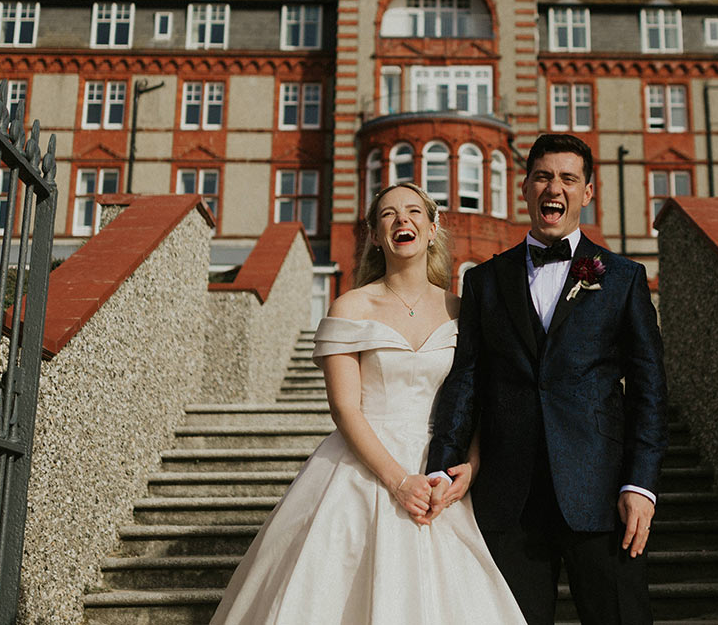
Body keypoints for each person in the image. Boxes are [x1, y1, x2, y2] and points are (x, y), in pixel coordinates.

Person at [209, 182, 526, 625]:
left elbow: (474, 397)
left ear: (433, 228)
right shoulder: (351, 306)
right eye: (388, 214)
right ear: (375, 235)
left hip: (441, 473)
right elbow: (344, 409)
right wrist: (398, 482)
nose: (403, 220)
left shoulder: (462, 310)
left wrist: (469, 465)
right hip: (364, 466)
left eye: (414, 212)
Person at [425, 133, 668, 625]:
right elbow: (466, 379)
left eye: (567, 178)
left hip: (601, 499)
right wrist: (444, 464)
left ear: (587, 192)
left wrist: (640, 485)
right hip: (507, 499)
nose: (553, 187)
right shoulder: (484, 281)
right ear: (525, 187)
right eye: (542, 176)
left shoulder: (621, 278)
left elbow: (649, 390)